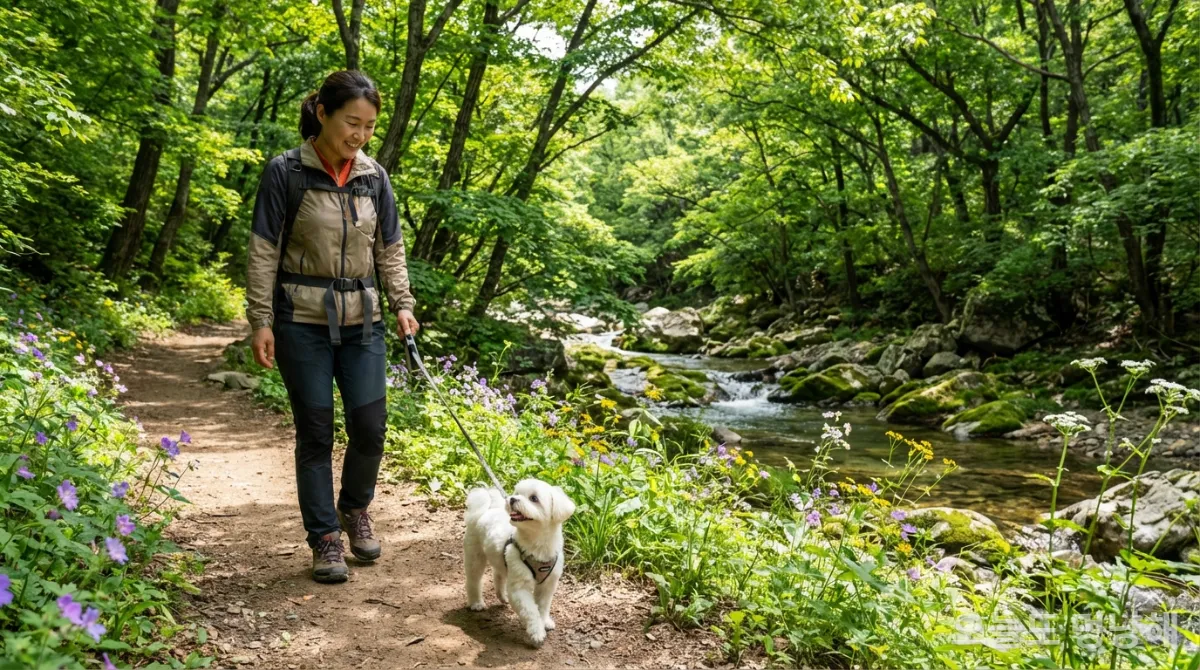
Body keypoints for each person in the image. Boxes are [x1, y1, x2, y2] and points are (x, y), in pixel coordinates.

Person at [245, 70, 420, 584]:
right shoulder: (286, 172)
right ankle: (324, 537)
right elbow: (263, 251)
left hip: (363, 320)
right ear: (322, 113)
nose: (359, 135)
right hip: (300, 320)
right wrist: (260, 320)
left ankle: (355, 508)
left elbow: (390, 248)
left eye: (369, 126)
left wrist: (402, 304)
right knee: (316, 431)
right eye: (351, 122)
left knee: (370, 427)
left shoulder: (374, 177)